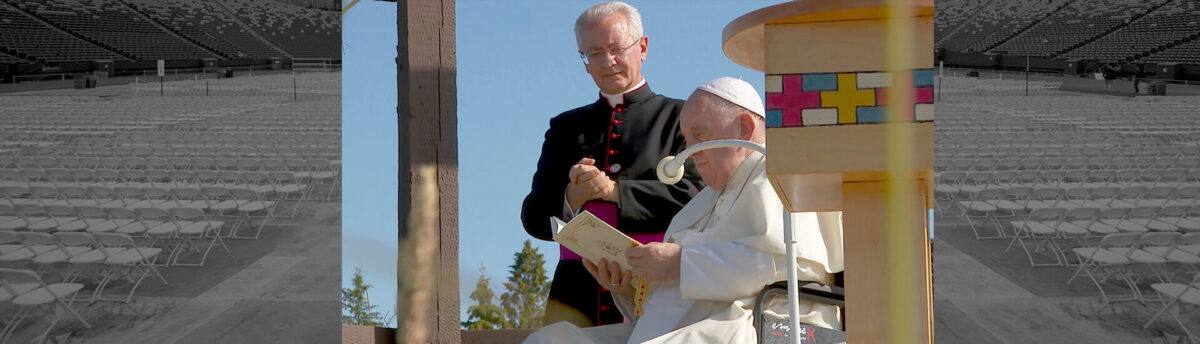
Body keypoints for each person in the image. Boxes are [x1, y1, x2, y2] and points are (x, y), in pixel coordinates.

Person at [524, 77, 840, 344]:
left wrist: (680, 264)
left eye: (699, 137)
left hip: (756, 322)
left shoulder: (777, 177)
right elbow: (676, 295)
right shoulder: (705, 199)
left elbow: (794, 267)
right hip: (692, 324)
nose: (690, 154)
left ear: (743, 128)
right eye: (686, 141)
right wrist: (627, 285)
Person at [520, 1, 703, 328]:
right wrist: (572, 197)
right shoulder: (565, 128)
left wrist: (614, 192)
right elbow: (533, 217)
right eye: (595, 53)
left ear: (643, 47)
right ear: (585, 62)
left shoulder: (681, 118)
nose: (608, 61)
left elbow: (698, 197)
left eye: (617, 48)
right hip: (577, 295)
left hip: (661, 287)